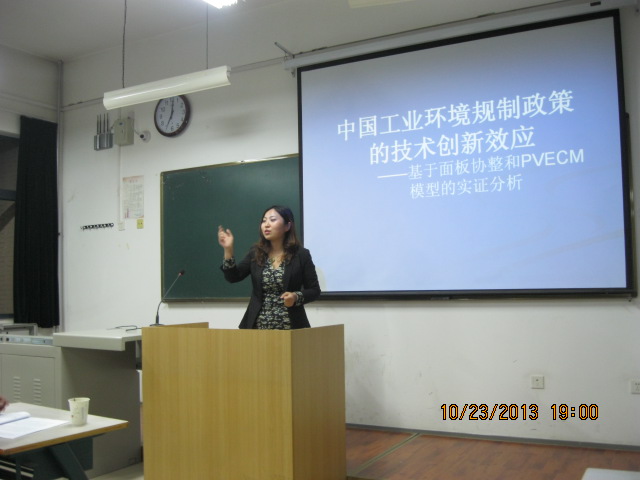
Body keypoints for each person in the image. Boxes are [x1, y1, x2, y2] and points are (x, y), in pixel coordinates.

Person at [218, 205, 320, 330]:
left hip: (291, 327)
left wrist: (295, 297)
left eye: (272, 220)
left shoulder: (301, 255)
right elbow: (233, 277)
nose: (266, 225)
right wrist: (228, 250)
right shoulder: (256, 252)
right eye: (264, 221)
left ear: (287, 226)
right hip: (257, 327)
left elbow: (314, 290)